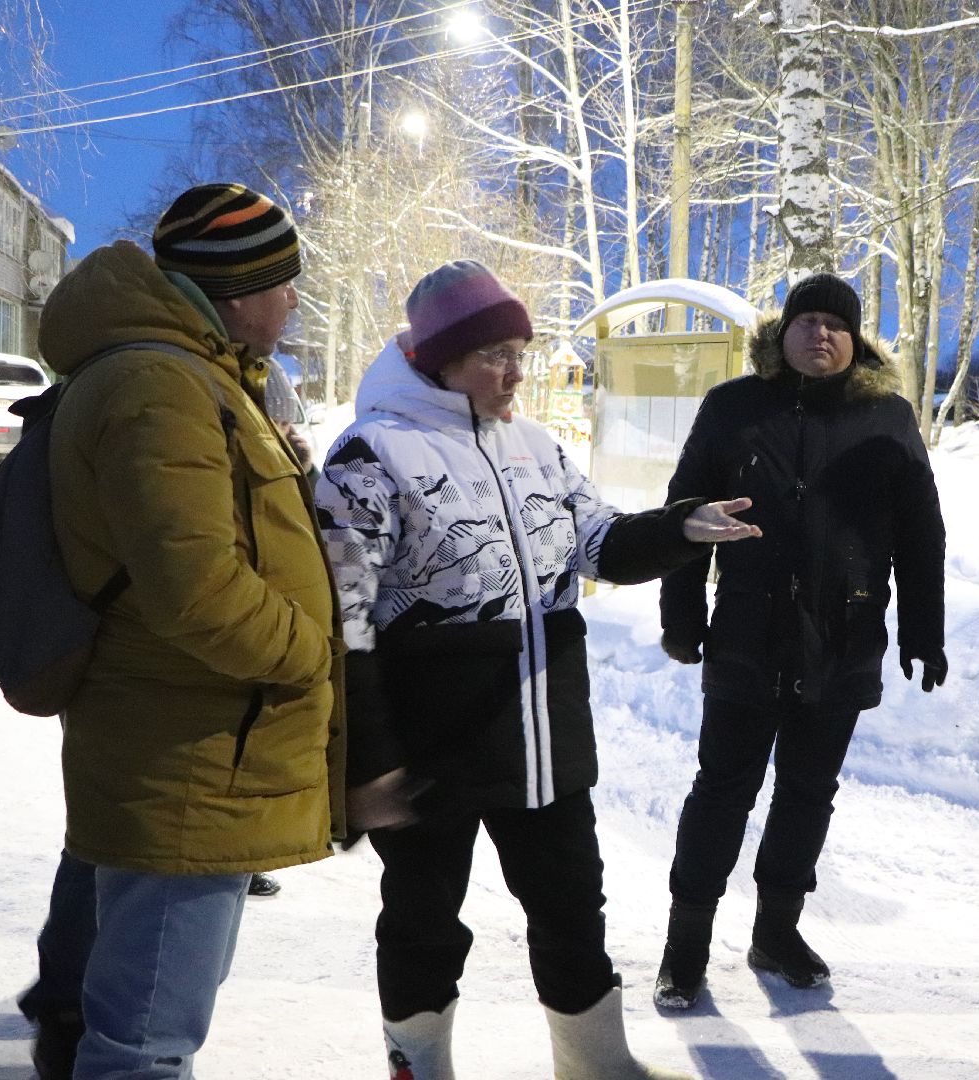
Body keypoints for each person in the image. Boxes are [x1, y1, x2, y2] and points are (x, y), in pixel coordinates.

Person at [313, 260, 750, 1080]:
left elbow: (597, 542)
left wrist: (683, 527)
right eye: (494, 354)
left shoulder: (536, 445)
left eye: (522, 350)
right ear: (439, 358)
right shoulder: (371, 454)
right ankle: (419, 1067)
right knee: (424, 922)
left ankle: (595, 1067)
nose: (516, 371)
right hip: (431, 746)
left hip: (544, 736)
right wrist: (370, 764)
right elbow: (344, 623)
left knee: (572, 910)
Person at [37, 183, 344, 1080]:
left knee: (143, 1029)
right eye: (284, 282)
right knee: (143, 1046)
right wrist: (307, 651)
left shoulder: (194, 376)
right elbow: (195, 589)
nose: (293, 300)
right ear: (239, 288)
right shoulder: (159, 386)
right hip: (185, 764)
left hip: (196, 750)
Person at [651, 272, 946, 1009]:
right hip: (747, 634)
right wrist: (681, 619)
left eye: (836, 324)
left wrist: (924, 631)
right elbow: (683, 513)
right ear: (781, 336)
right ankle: (684, 947)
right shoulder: (733, 409)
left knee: (809, 792)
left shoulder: (888, 419)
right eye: (806, 321)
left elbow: (921, 535)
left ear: (856, 341)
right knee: (722, 791)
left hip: (842, 639)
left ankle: (776, 930)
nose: (821, 334)